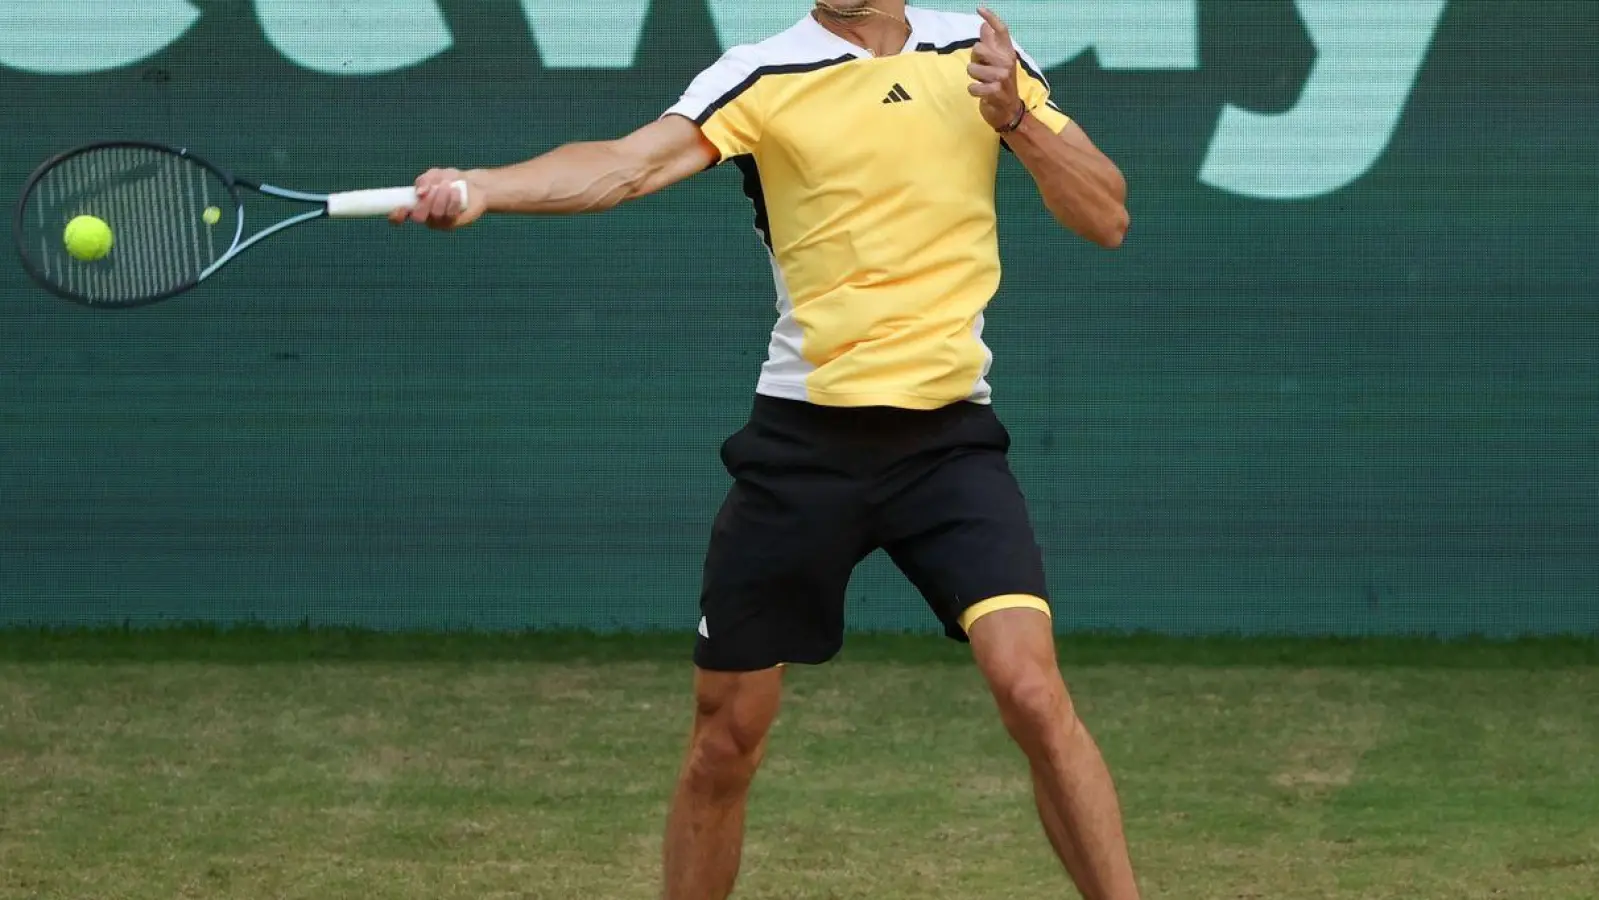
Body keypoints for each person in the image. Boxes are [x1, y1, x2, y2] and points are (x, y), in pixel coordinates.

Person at [392, 1, 1138, 897]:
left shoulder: (976, 55)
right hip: (803, 447)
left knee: (1030, 690)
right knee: (724, 738)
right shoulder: (760, 73)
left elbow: (1105, 217)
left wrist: (1013, 114)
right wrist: (482, 188)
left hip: (947, 444)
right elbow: (626, 167)